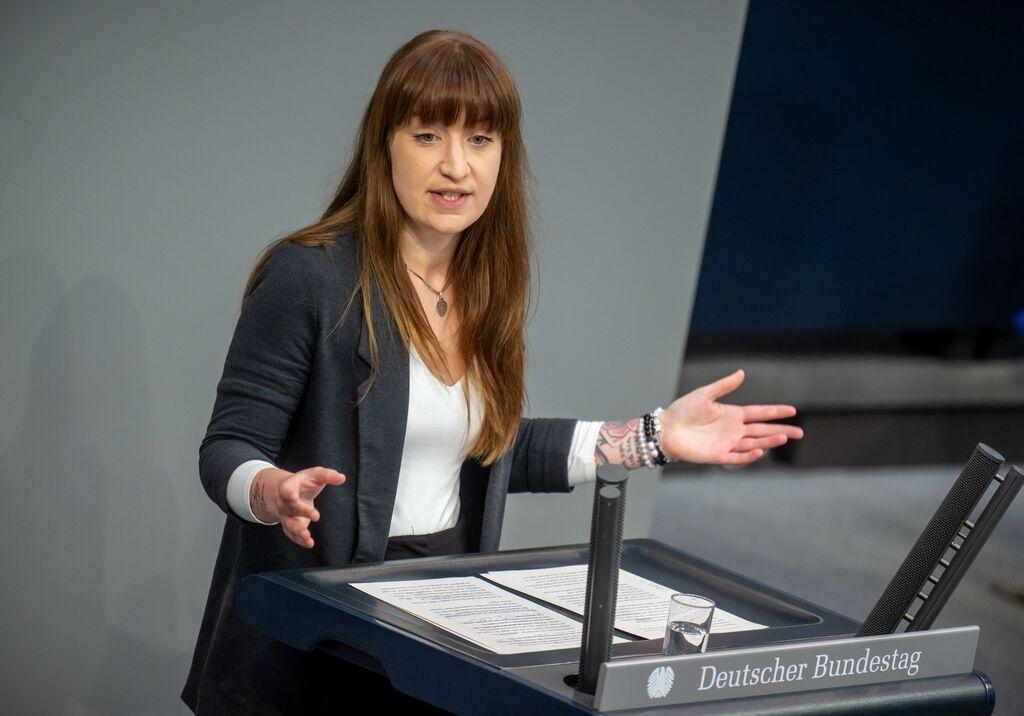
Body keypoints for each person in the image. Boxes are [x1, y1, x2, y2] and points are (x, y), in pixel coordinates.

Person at [181, 28, 804, 716]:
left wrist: (654, 437)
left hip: (439, 619)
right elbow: (227, 446)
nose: (456, 166)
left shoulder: (484, 287)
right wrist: (269, 489)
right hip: (314, 634)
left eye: (479, 140)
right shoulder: (311, 275)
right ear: (384, 144)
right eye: (427, 136)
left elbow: (492, 448)